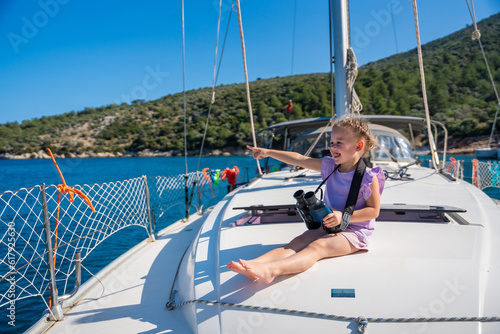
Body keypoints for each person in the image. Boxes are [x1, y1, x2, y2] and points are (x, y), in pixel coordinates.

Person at [227, 117, 385, 284]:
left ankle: (272, 270)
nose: (332, 147)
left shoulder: (368, 177)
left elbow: (373, 211)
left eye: (339, 142)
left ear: (358, 146)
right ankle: (255, 264)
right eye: (331, 142)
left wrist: (342, 217)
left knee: (318, 247)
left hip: (355, 233)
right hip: (331, 225)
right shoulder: (329, 166)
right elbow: (299, 159)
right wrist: (268, 152)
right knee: (299, 241)